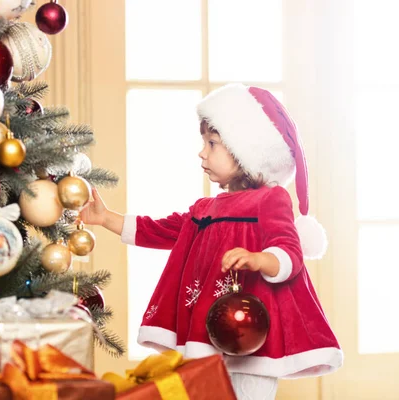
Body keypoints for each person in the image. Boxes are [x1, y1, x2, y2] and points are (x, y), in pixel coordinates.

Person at [81, 84, 342, 399]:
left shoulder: (271, 200)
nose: (202, 152)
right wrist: (107, 218)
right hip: (208, 327)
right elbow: (164, 230)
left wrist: (259, 259)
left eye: (212, 143)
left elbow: (288, 250)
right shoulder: (206, 209)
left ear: (246, 150)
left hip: (253, 333)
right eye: (204, 142)